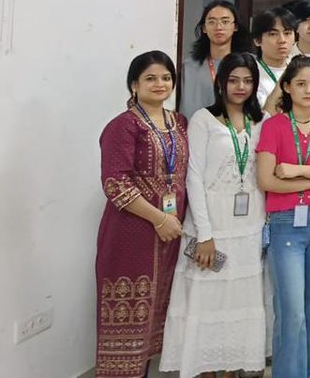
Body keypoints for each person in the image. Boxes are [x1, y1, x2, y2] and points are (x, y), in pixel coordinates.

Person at [162, 52, 269, 378]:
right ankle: (204, 369)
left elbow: (262, 173)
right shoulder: (203, 119)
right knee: (207, 300)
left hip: (249, 227)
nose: (240, 86)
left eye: (248, 80)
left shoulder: (260, 120)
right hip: (212, 225)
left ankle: (229, 367)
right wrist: (204, 234)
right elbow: (193, 176)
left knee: (239, 301)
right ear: (220, 82)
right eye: (234, 79)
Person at [96, 51, 188, 378]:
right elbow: (115, 183)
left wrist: (172, 222)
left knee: (159, 314)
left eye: (165, 77)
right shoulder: (123, 126)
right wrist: (159, 219)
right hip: (132, 233)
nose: (160, 84)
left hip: (173, 234)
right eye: (150, 78)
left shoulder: (179, 122)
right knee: (129, 315)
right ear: (134, 84)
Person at [256, 56, 310, 378]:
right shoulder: (274, 126)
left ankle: (304, 371)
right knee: (291, 310)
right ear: (287, 87)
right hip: (285, 224)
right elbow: (267, 180)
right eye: (301, 83)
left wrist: (296, 171)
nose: (308, 90)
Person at [179, 0, 253, 119]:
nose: (219, 27)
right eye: (212, 22)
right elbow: (186, 108)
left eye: (225, 21)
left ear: (235, 26)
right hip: (198, 131)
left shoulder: (249, 64)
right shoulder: (190, 66)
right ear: (204, 28)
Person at [251, 7, 297, 108]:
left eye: (287, 33)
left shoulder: (300, 68)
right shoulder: (250, 73)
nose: (282, 40)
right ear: (257, 40)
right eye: (273, 34)